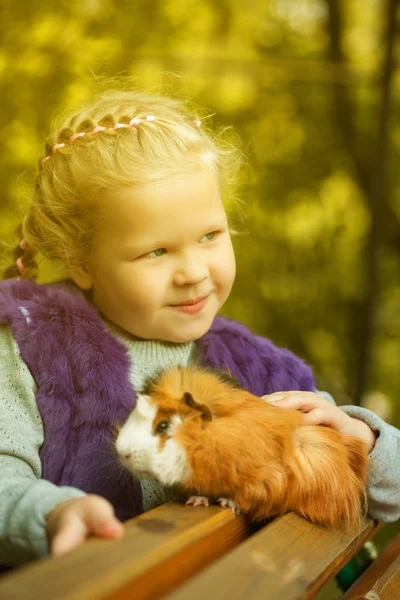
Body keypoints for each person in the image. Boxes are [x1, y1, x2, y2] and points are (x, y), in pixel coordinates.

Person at [0, 89, 399, 568]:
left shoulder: (259, 370)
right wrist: (50, 513)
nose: (193, 271)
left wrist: (363, 439)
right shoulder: (32, 348)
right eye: (156, 251)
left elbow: (379, 497)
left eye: (210, 236)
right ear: (81, 263)